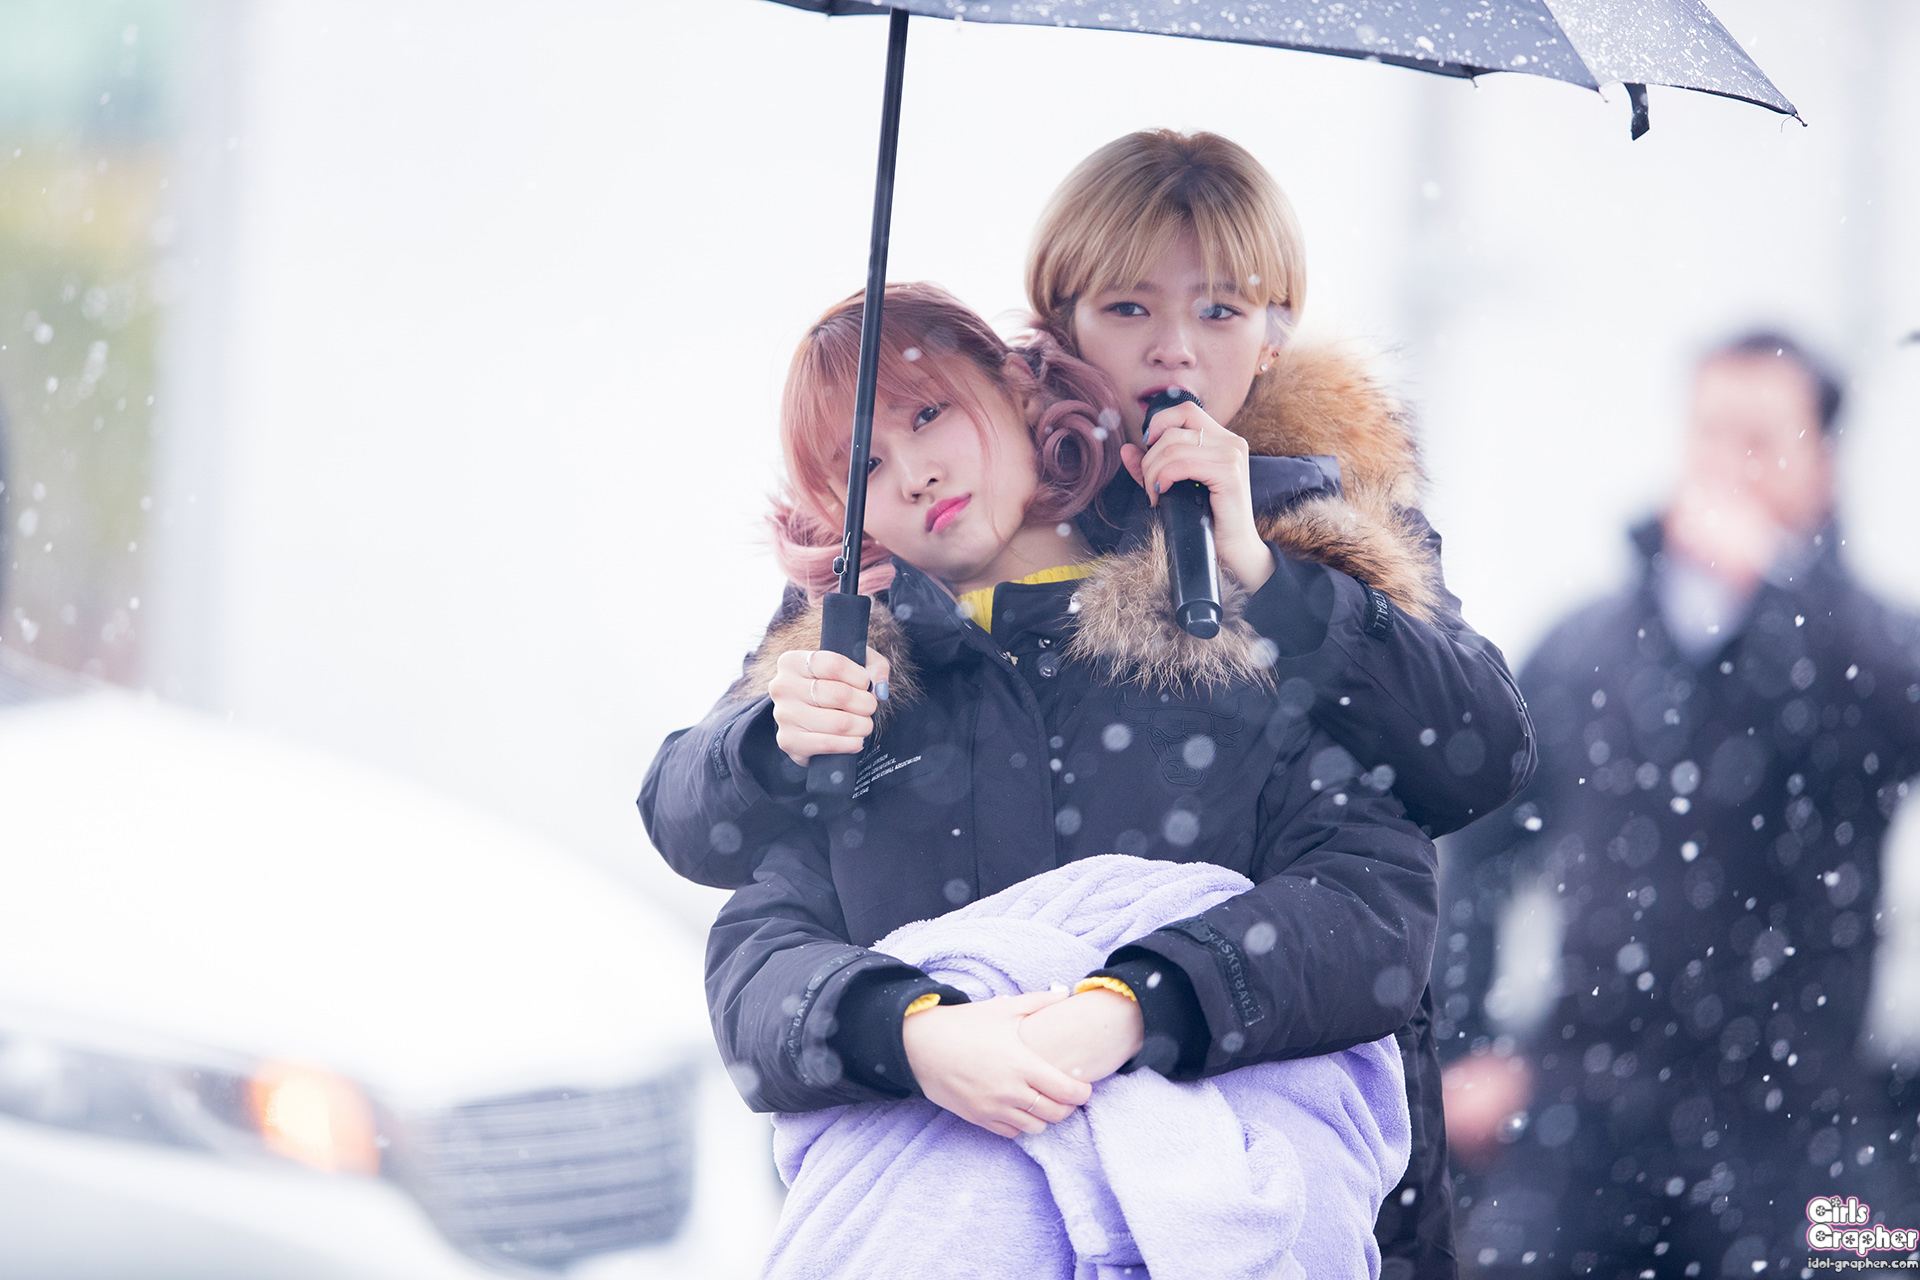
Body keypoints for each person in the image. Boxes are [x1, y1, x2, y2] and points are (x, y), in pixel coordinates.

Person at [645, 133, 1536, 1272]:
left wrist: (1270, 576)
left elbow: (1454, 786)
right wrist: (906, 1022)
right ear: (1053, 338)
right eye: (1128, 308)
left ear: (1273, 330)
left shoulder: (1292, 556)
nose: (1174, 348)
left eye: (1220, 310)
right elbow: (717, 858)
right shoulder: (875, 622)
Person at [1441, 332, 1920, 1278]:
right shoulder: (1586, 645)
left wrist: (1783, 590)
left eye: (1761, 439)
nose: (1727, 463)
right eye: (1711, 432)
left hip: (1801, 1120)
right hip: (1583, 1109)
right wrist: (1467, 1045)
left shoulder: (1858, 642)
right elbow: (1482, 857)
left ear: (1823, 464)